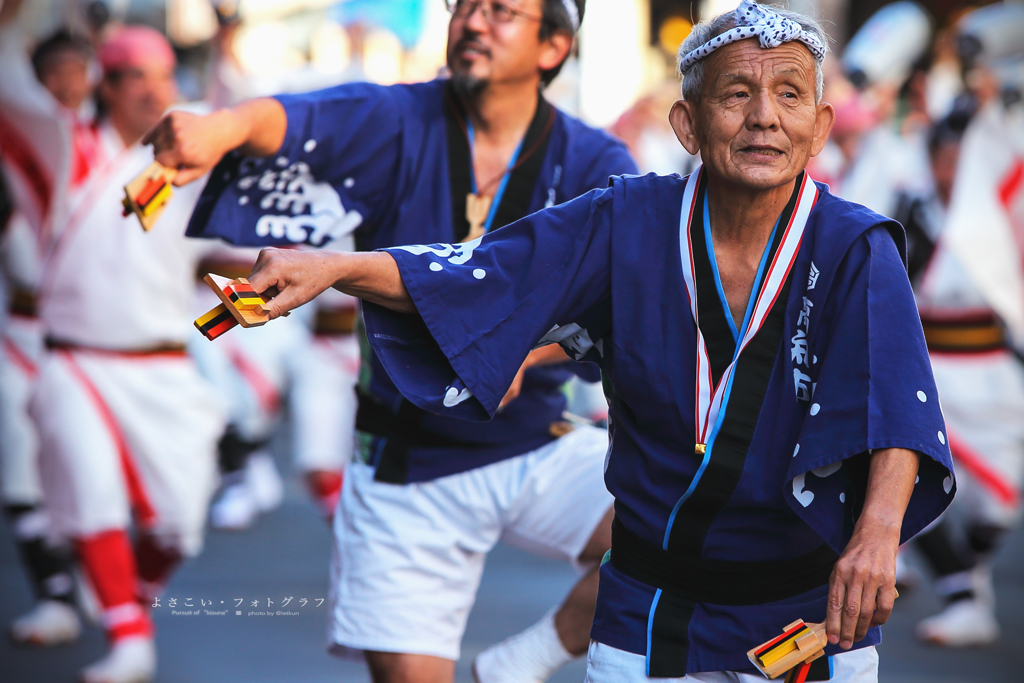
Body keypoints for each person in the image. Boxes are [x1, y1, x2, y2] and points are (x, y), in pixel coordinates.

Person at [221, 2, 958, 680]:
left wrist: (877, 534)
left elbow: (894, 400)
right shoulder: (625, 220)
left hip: (805, 613)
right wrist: (336, 267)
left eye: (790, 94)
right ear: (687, 124)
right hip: (647, 611)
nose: (764, 117)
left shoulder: (857, 246)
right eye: (736, 94)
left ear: (822, 126)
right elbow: (483, 271)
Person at [148, 1, 635, 681]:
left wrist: (525, 349)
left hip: (535, 440)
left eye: (502, 10)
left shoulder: (595, 160)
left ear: (553, 45)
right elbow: (293, 119)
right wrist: (217, 127)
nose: (474, 21)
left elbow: (625, 299)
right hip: (405, 455)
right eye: (464, 4)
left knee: (686, 523)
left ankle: (525, 658)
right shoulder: (396, 120)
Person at [28, 26, 227, 683]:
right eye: (134, 75)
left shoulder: (195, 164)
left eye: (162, 74)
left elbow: (226, 265)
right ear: (104, 86)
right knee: (91, 492)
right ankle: (129, 634)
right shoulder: (68, 152)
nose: (152, 89)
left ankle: (125, 598)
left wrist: (230, 318)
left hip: (166, 367)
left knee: (178, 522)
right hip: (75, 361)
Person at [906, 108, 1024, 647]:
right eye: (944, 157)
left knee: (996, 504)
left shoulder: (1002, 216)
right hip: (929, 372)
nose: (952, 169)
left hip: (992, 372)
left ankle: (967, 577)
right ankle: (962, 598)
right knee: (912, 485)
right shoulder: (913, 213)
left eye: (962, 158)